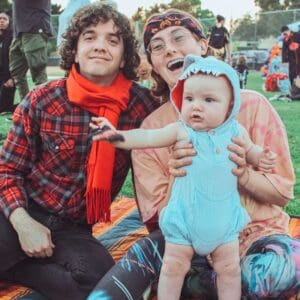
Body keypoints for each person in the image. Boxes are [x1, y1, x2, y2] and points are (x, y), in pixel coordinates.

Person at [89, 9, 297, 300]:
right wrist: (178, 175)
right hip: (186, 240)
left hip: (256, 237)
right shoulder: (156, 128)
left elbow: (282, 195)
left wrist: (244, 173)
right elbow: (159, 219)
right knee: (150, 252)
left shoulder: (252, 108)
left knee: (283, 269)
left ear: (202, 45)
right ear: (153, 64)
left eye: (178, 38)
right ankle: (200, 280)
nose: (169, 49)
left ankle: (201, 284)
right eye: (157, 46)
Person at [0, 4, 158, 300]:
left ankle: (16, 267)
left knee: (103, 286)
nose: (100, 46)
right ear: (74, 49)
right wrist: (23, 224)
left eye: (113, 40)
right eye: (89, 37)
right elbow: (7, 170)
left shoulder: (142, 105)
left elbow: (184, 107)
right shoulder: (42, 99)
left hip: (75, 229)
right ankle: (20, 254)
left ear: (125, 56)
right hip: (21, 211)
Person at [9, 0, 53, 100]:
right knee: (17, 74)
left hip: (34, 30)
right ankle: (25, 108)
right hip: (18, 33)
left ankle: (43, 109)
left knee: (38, 73)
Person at [0, 11, 15, 113]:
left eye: (4, 19)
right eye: (0, 19)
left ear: (9, 22)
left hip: (8, 75)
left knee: (4, 108)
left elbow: (12, 60)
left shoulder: (12, 37)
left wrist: (10, 77)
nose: (1, 21)